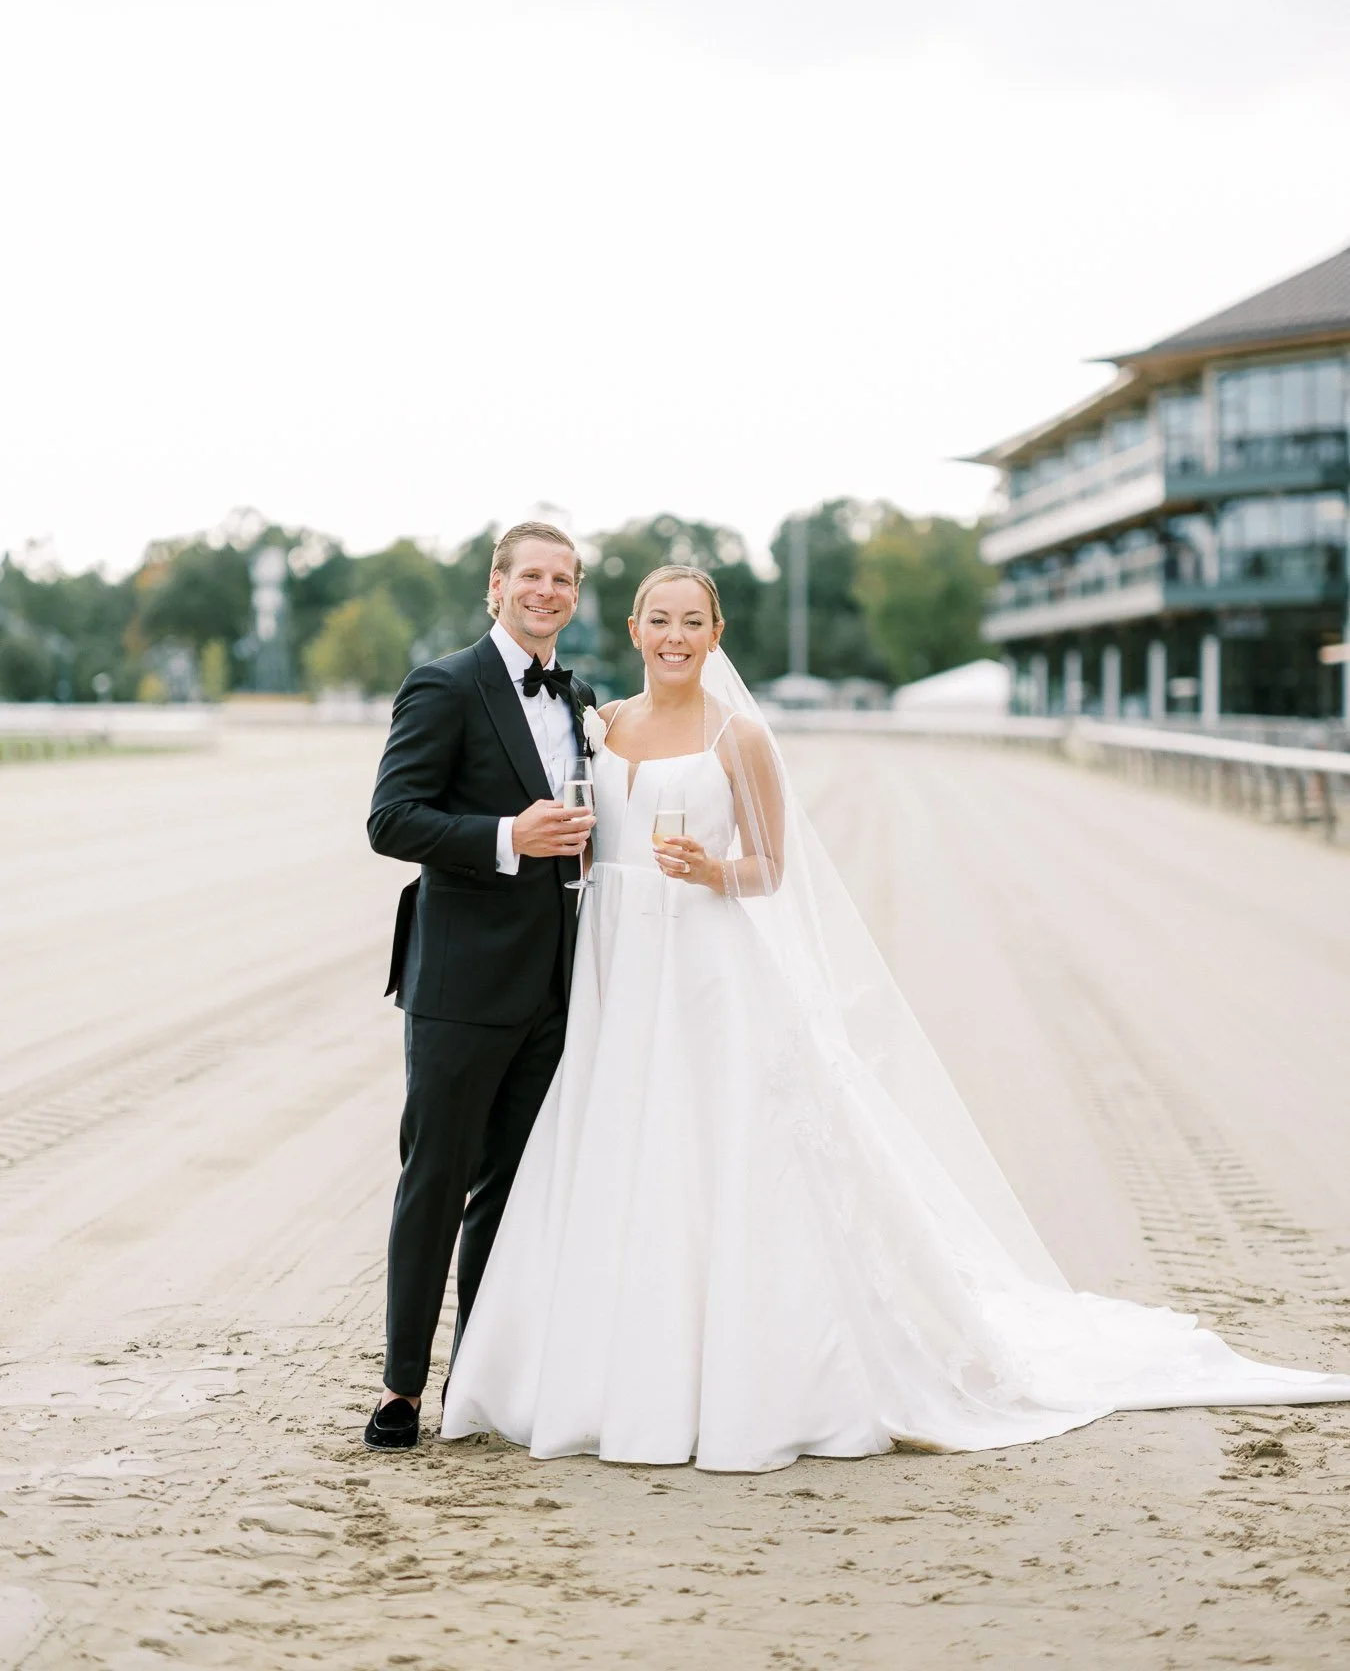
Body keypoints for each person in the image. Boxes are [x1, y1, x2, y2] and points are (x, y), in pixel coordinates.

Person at [440, 564, 1350, 1472]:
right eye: (660, 621)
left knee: (714, 1151)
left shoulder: (740, 735)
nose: (675, 637)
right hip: (616, 969)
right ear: (634, 629)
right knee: (613, 1149)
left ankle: (739, 1377)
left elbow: (771, 870)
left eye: (693, 623)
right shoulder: (596, 728)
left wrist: (712, 873)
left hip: (708, 967)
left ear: (715, 636)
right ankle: (601, 1368)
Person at [362, 521, 597, 1450]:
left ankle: (480, 1380)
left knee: (509, 1195)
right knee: (436, 1182)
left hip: (554, 986)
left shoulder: (580, 698)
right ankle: (400, 1390)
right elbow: (392, 820)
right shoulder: (445, 684)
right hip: (459, 985)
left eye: (564, 579)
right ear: (496, 588)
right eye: (531, 576)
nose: (547, 591)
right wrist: (508, 837)